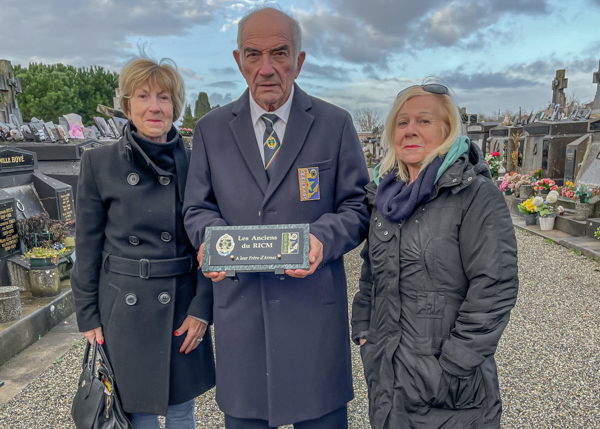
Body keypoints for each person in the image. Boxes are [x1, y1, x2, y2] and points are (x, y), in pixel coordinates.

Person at [183, 7, 369, 429]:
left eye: (280, 53)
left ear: (299, 60)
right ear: (238, 60)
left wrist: (322, 238)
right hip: (243, 321)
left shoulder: (335, 124)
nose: (266, 68)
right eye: (253, 54)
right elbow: (195, 208)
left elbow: (357, 208)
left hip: (313, 325)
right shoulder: (211, 130)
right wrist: (216, 243)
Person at [351, 83, 518, 429]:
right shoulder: (385, 198)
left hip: (451, 387)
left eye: (424, 121)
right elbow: (372, 274)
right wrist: (365, 331)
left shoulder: (475, 195)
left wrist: (455, 365)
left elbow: (495, 285)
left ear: (447, 130)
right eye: (402, 122)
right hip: (387, 372)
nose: (410, 130)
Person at [71, 57, 215, 428]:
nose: (155, 106)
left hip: (181, 303)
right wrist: (87, 314)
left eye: (164, 97)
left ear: (174, 106)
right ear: (127, 105)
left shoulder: (197, 163)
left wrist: (202, 308)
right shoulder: (98, 164)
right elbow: (86, 246)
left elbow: (211, 242)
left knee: (181, 407)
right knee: (136, 410)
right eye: (144, 96)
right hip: (124, 306)